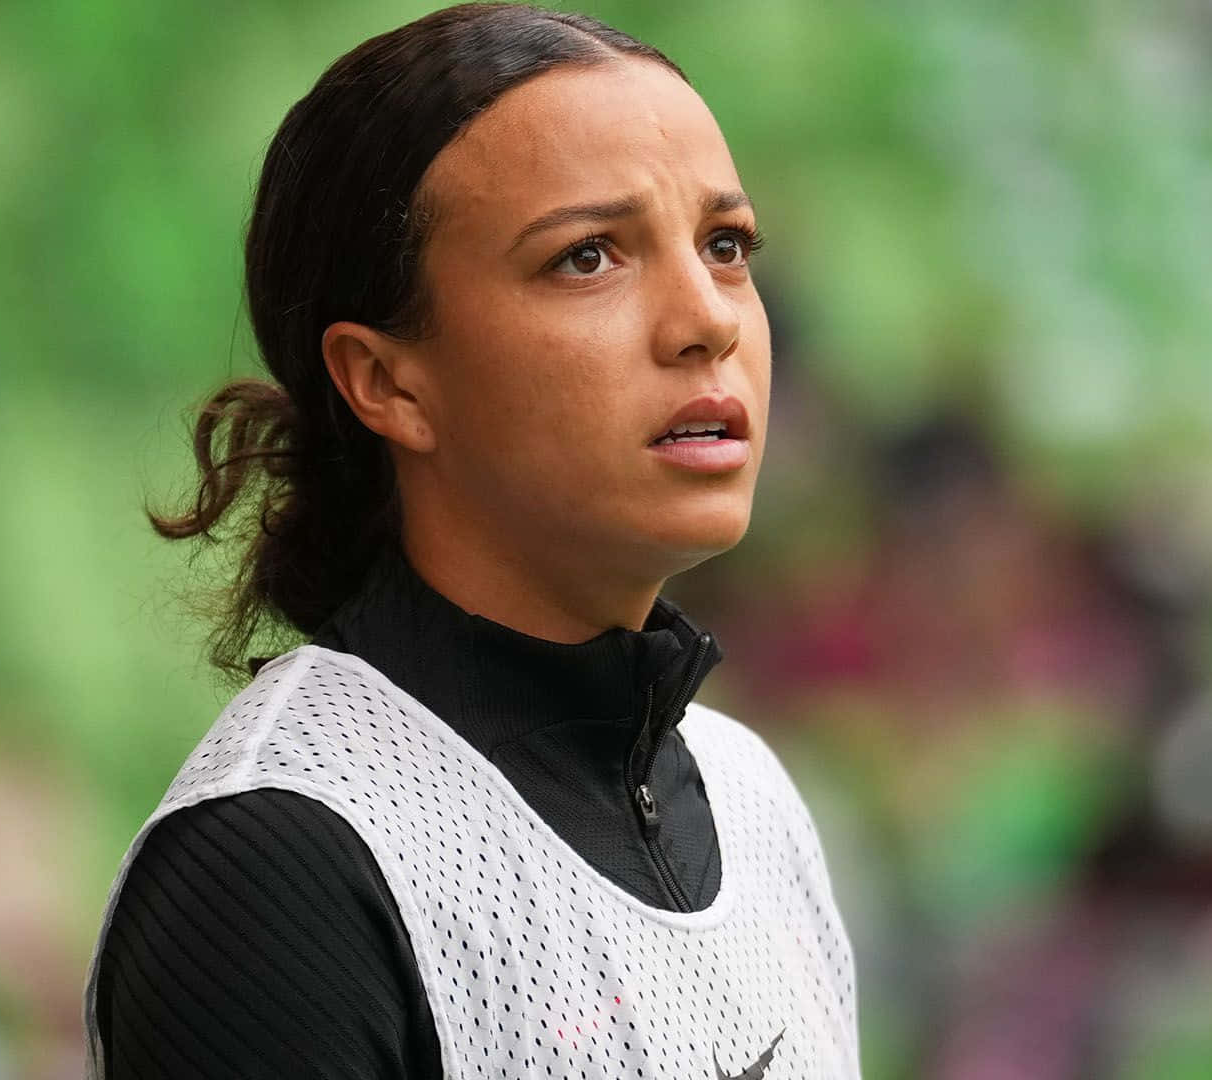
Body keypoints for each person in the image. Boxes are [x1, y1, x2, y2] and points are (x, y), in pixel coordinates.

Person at [81, 4, 858, 1076]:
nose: (707, 319)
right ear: (387, 382)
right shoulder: (282, 862)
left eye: (726, 245)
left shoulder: (751, 796)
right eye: (588, 256)